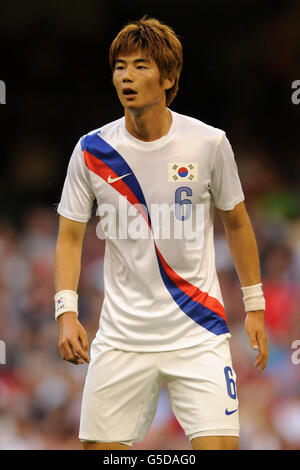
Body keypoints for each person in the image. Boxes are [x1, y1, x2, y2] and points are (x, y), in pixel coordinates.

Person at [54, 16, 269, 451]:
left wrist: (254, 305)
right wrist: (66, 312)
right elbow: (70, 236)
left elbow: (238, 222)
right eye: (119, 66)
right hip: (120, 340)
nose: (126, 76)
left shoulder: (209, 143)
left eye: (140, 65)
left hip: (198, 333)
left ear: (169, 77)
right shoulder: (92, 150)